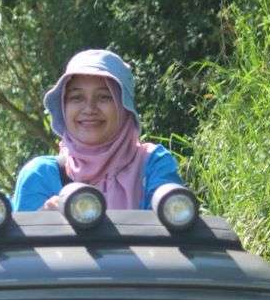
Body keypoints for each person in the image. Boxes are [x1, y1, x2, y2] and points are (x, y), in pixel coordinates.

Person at [12, 49, 185, 212]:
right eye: (77, 97)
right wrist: (44, 221)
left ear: (124, 106)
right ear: (64, 107)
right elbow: (23, 235)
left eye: (104, 97)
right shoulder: (40, 175)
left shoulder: (153, 164)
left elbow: (171, 225)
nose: (89, 109)